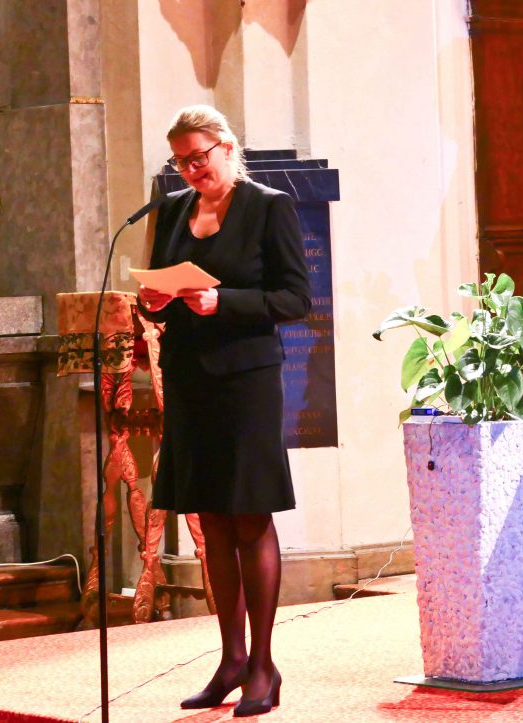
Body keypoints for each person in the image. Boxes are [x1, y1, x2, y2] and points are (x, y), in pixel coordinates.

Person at [137, 104, 311, 717]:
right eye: (180, 162)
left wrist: (224, 301)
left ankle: (263, 665)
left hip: (246, 380)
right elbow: (158, 291)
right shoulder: (173, 209)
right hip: (190, 379)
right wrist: (154, 300)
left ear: (227, 147)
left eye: (198, 157)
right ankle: (231, 658)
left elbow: (295, 297)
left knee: (248, 516)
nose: (191, 170)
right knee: (210, 518)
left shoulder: (267, 207)